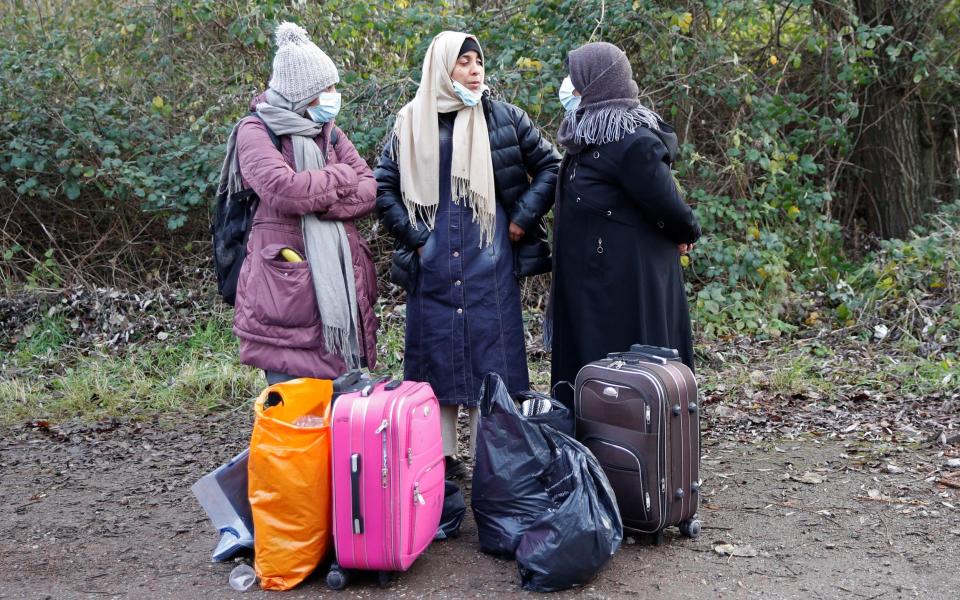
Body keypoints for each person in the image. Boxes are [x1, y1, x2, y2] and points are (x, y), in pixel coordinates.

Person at [375, 31, 560, 477]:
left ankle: (486, 457)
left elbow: (551, 166)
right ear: (442, 68)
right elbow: (382, 185)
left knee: (489, 360)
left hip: (488, 262)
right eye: (464, 62)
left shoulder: (504, 118)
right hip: (432, 264)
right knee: (436, 359)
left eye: (478, 61)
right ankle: (441, 460)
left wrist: (520, 219)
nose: (475, 70)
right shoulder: (410, 120)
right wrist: (417, 238)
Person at [220, 22, 378, 385]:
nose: (334, 95)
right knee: (295, 413)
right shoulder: (256, 130)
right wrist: (339, 177)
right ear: (302, 93)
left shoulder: (330, 131)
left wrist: (321, 201)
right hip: (285, 290)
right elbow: (284, 189)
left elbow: (370, 186)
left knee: (338, 411)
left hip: (337, 282)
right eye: (327, 88)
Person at [547, 42, 701, 408]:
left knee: (627, 374)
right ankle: (592, 441)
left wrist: (685, 233)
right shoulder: (586, 135)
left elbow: (667, 203)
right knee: (593, 366)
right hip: (593, 280)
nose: (568, 85)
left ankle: (634, 446)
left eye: (575, 77)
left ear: (596, 82)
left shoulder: (631, 140)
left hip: (625, 283)